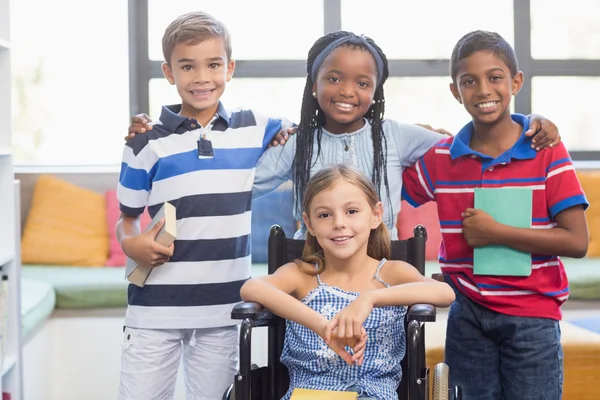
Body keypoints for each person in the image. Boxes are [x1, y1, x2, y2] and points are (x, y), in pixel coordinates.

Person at [126, 31, 562, 240]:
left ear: (375, 92)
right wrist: (170, 139)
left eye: (362, 84)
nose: (347, 92)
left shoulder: (396, 136)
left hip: (380, 269)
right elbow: (235, 181)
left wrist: (532, 122)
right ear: (313, 85)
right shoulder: (297, 142)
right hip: (309, 269)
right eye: (333, 79)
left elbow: (468, 141)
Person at [402, 30, 589, 400]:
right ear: (455, 92)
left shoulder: (546, 151)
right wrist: (409, 136)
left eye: (495, 77)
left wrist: (497, 232)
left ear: (516, 81)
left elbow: (577, 241)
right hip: (467, 313)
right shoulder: (440, 158)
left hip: (533, 314)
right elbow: (382, 183)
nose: (483, 90)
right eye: (469, 81)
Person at [116, 11, 293, 400]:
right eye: (187, 66)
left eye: (213, 65)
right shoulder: (145, 142)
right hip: (153, 312)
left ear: (229, 68)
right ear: (168, 72)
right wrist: (131, 244)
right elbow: (127, 218)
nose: (201, 77)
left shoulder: (254, 126)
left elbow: (302, 133)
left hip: (223, 311)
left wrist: (281, 135)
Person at [240, 164, 455, 400]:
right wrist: (323, 327)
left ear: (375, 215)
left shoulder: (391, 274)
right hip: (310, 395)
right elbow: (251, 287)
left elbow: (444, 293)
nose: (339, 223)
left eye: (351, 211)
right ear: (309, 224)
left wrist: (370, 298)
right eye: (324, 215)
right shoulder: (302, 275)